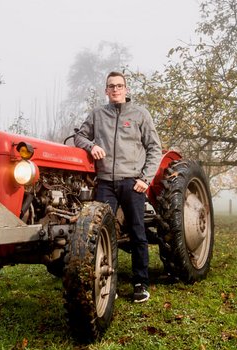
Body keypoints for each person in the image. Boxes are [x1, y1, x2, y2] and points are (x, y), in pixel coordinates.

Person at [74, 71, 162, 303]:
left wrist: (145, 178)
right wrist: (91, 146)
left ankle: (140, 283)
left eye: (119, 86)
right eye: (111, 86)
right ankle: (103, 278)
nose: (115, 89)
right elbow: (79, 137)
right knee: (102, 230)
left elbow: (155, 148)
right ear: (106, 90)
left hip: (132, 183)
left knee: (137, 232)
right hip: (104, 183)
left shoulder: (140, 115)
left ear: (126, 89)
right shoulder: (97, 115)